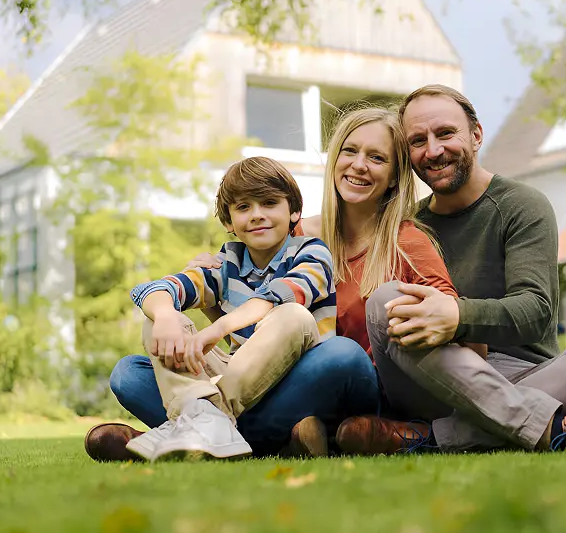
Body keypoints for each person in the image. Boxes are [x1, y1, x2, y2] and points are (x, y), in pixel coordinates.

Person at [335, 85, 566, 454]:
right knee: (387, 301)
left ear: (476, 135)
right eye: (417, 140)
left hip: (528, 376)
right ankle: (556, 429)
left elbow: (535, 310)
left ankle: (432, 439)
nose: (433, 150)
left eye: (445, 133)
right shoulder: (404, 226)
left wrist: (457, 315)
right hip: (435, 385)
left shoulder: (522, 205)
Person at [85, 157, 379, 461]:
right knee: (130, 371)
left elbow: (275, 299)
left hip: (301, 382)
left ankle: (200, 425)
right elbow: (156, 289)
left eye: (268, 203)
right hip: (244, 388)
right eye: (243, 207)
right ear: (228, 222)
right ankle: (226, 429)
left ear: (294, 211)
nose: (257, 215)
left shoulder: (311, 251)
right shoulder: (226, 264)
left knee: (325, 340)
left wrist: (218, 327)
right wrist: (164, 315)